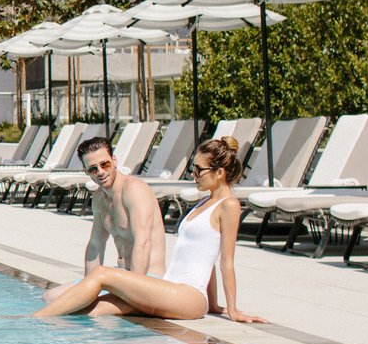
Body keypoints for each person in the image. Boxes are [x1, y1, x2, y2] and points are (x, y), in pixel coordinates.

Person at [33, 136, 267, 323]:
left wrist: (233, 309)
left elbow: (226, 261)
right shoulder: (203, 204)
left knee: (102, 274)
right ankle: (42, 322)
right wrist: (215, 305)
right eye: (193, 169)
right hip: (170, 288)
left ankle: (32, 322)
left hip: (188, 297)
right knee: (88, 311)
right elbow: (207, 257)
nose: (193, 175)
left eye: (198, 170)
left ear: (219, 173)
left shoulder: (229, 205)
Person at [39, 135, 166, 308]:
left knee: (78, 309)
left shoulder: (134, 190)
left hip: (148, 279)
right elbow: (95, 245)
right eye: (93, 169)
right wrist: (86, 289)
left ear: (114, 160)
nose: (100, 172)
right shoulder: (99, 198)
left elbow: (142, 243)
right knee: (51, 298)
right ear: (86, 172)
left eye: (104, 164)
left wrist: (135, 291)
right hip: (121, 275)